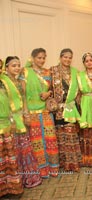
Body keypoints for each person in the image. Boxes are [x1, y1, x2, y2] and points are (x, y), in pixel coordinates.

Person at [1, 56, 42, 188]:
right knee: (14, 151)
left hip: (21, 119)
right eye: (13, 65)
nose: (17, 68)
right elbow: (4, 103)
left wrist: (26, 115)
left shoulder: (19, 81)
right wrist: (11, 119)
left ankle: (28, 178)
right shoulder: (3, 82)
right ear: (6, 67)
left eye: (18, 65)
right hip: (10, 121)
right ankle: (16, 180)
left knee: (25, 149)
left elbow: (24, 99)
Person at [24, 48, 59, 178]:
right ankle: (40, 171)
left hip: (45, 112)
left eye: (44, 57)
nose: (42, 60)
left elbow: (51, 90)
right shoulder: (25, 72)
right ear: (32, 58)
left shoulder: (47, 72)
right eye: (39, 57)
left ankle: (52, 169)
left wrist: (48, 93)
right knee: (36, 142)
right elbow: (22, 94)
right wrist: (25, 114)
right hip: (32, 113)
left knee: (50, 140)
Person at [50, 48, 81, 171]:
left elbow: (79, 90)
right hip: (58, 109)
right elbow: (48, 87)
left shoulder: (76, 72)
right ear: (60, 57)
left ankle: (73, 162)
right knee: (60, 135)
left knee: (71, 134)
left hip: (70, 108)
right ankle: (63, 163)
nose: (67, 59)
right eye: (65, 57)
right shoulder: (53, 71)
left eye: (70, 57)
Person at [0, 58, 24, 197]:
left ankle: (12, 188)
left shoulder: (4, 82)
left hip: (6, 124)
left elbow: (12, 102)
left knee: (9, 158)